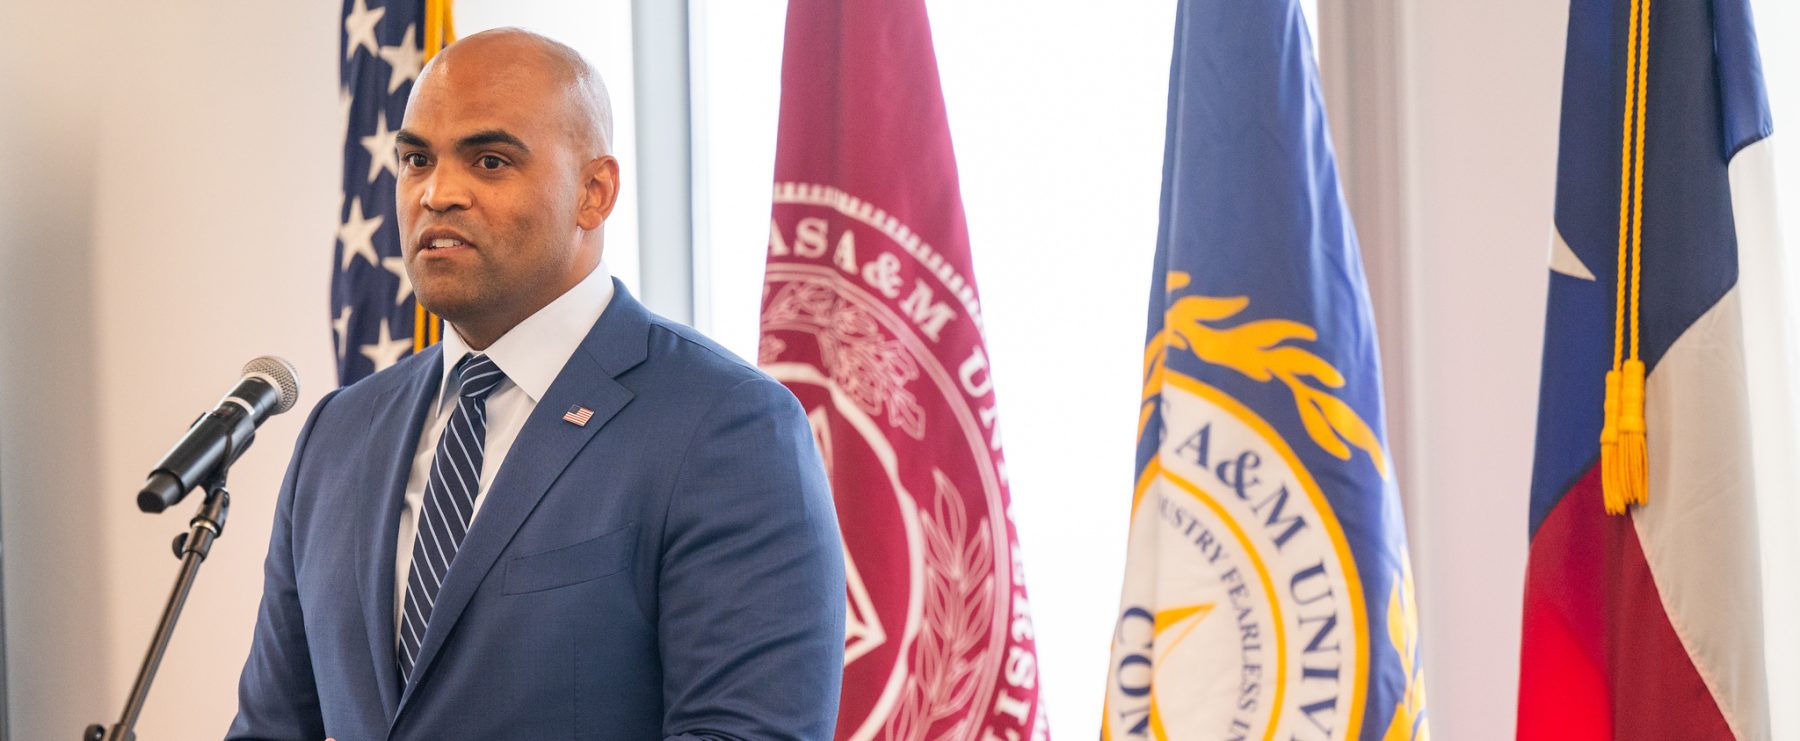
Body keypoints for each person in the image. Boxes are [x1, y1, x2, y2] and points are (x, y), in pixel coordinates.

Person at [228, 28, 846, 740]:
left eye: (489, 160)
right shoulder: (337, 436)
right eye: (415, 159)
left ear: (595, 191)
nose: (436, 193)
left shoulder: (726, 426)